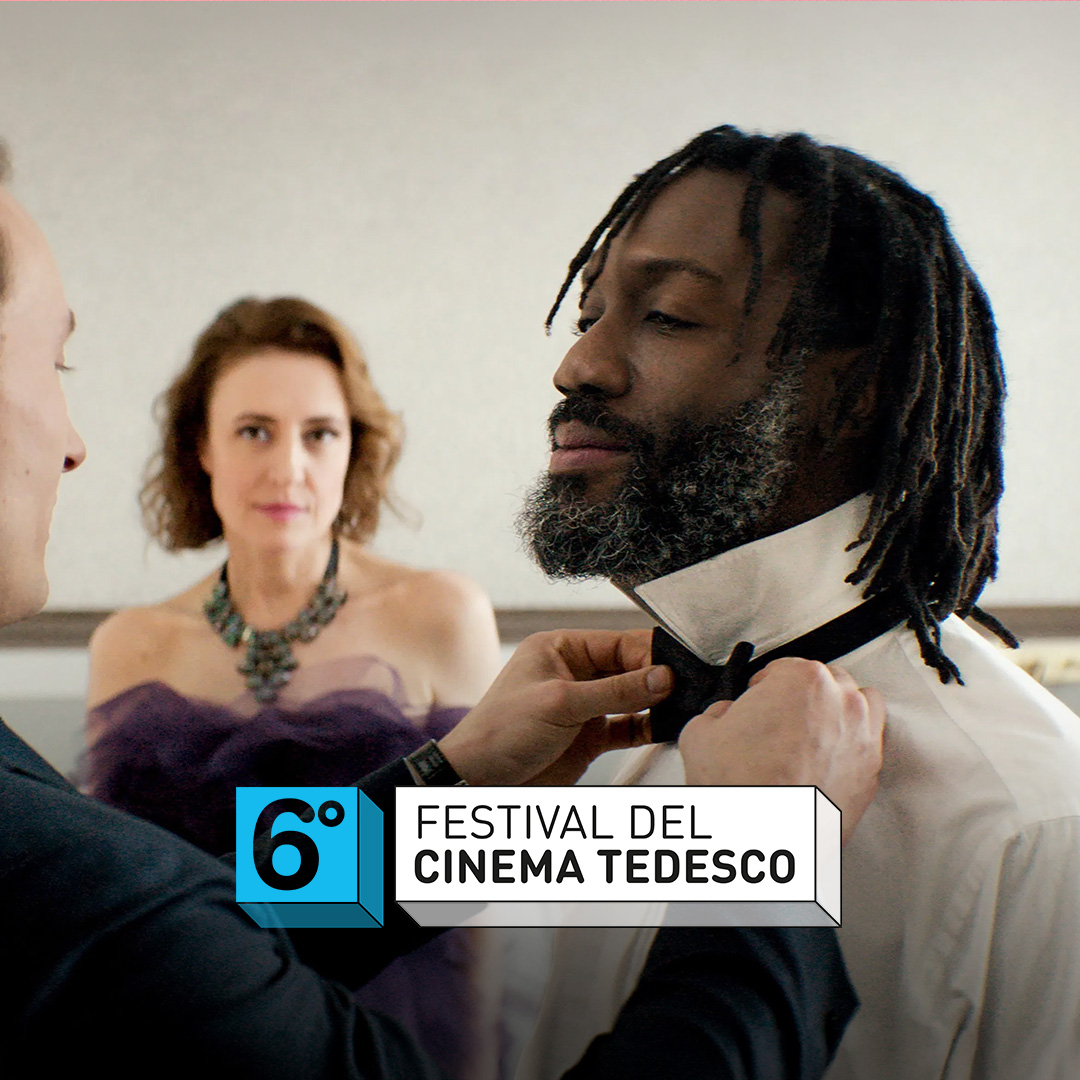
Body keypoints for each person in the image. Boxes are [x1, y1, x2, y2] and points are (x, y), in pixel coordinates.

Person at [0, 137, 885, 1079]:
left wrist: (450, 783)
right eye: (55, 364)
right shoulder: (66, 865)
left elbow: (203, 940)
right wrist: (770, 857)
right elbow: (162, 939)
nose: (74, 442)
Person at [515, 125, 1080, 1080]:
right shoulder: (569, 756)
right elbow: (275, 918)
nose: (578, 366)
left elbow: (276, 906)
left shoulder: (1037, 824)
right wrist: (442, 776)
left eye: (668, 316)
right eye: (588, 315)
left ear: (854, 390)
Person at [79, 296, 504, 1079]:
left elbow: (477, 891)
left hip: (384, 1038)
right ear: (200, 447)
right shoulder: (129, 645)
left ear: (353, 449)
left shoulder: (441, 615)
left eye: (319, 434)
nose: (288, 468)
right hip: (181, 1035)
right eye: (254, 431)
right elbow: (115, 899)